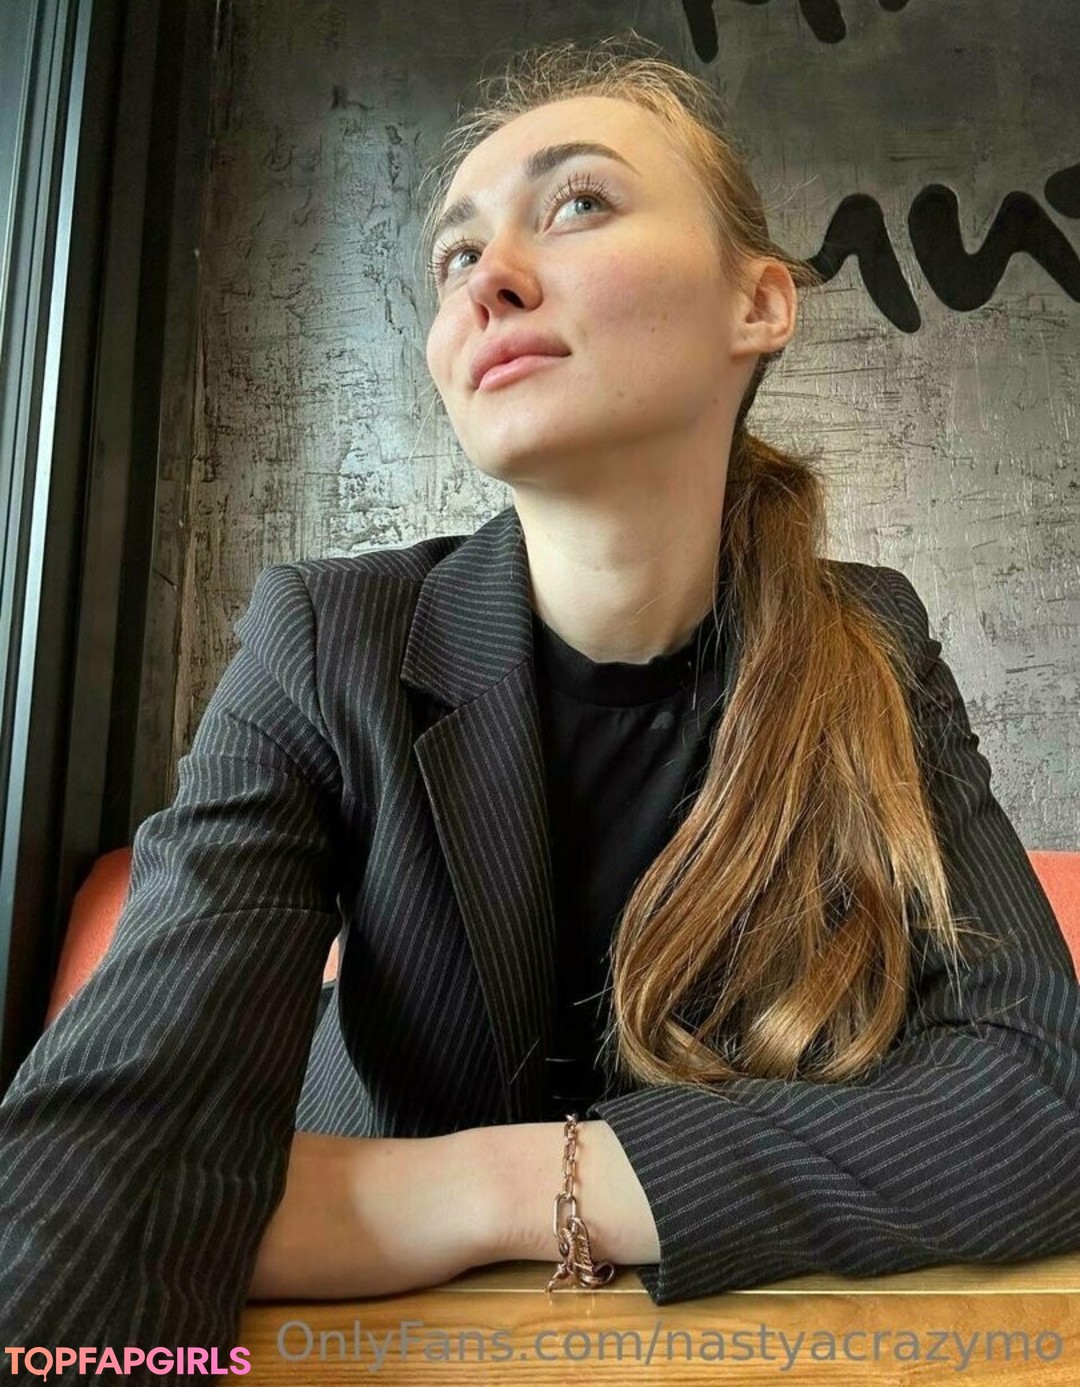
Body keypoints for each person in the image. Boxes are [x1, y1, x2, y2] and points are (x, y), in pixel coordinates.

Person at [1, 28, 1078, 1374]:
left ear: (758, 304)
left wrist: (491, 1187)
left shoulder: (873, 640)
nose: (487, 280)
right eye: (455, 255)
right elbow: (119, 1134)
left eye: (577, 204)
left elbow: (1044, 1089)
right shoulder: (326, 640)